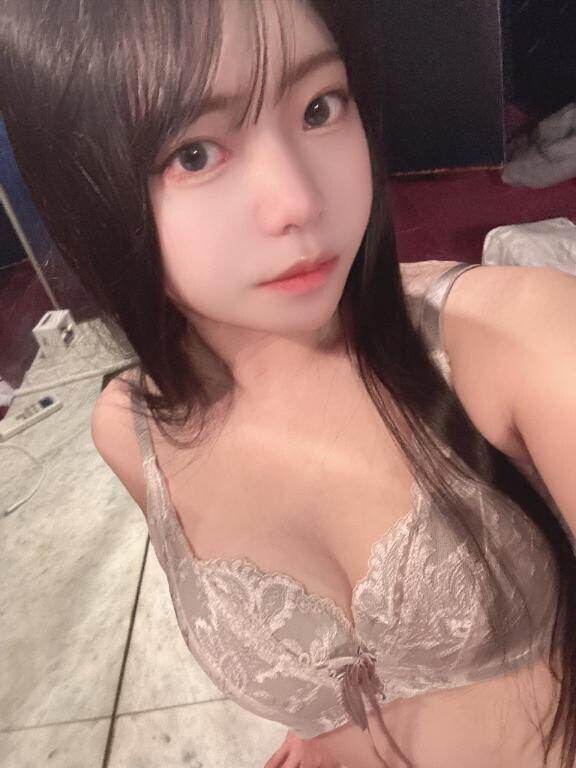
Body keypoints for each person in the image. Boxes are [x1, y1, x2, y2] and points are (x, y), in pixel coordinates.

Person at [1, 1, 575, 767]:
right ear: (87, 196)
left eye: (318, 107)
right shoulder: (128, 432)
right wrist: (317, 721)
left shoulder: (518, 338)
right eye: (194, 154)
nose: (299, 201)